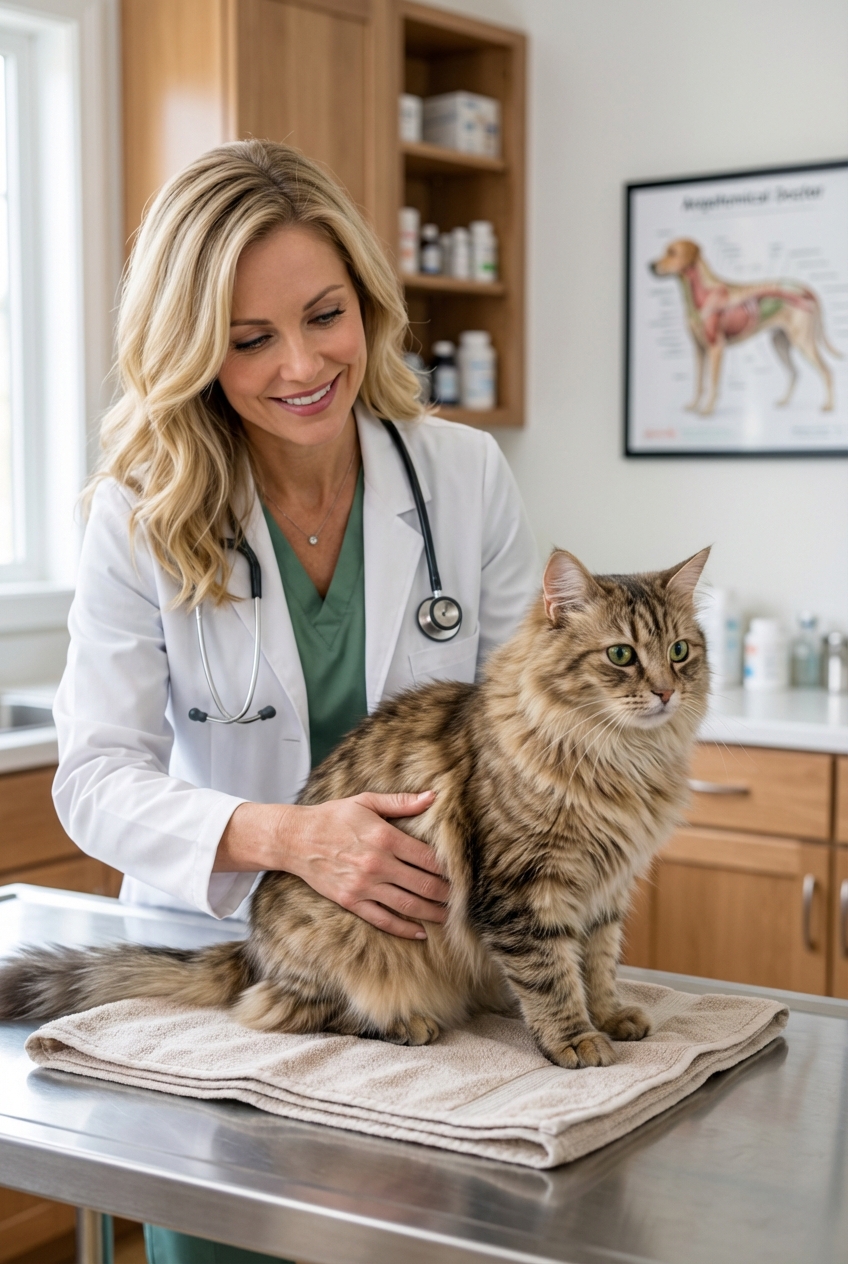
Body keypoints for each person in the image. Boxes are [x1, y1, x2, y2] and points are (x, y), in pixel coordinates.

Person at [53, 140, 539, 1264]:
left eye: (325, 314)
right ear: (190, 350)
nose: (302, 364)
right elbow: (93, 776)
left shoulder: (460, 478)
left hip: (432, 978)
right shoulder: (142, 513)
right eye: (247, 338)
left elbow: (524, 731)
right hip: (234, 977)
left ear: (366, 297)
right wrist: (293, 840)